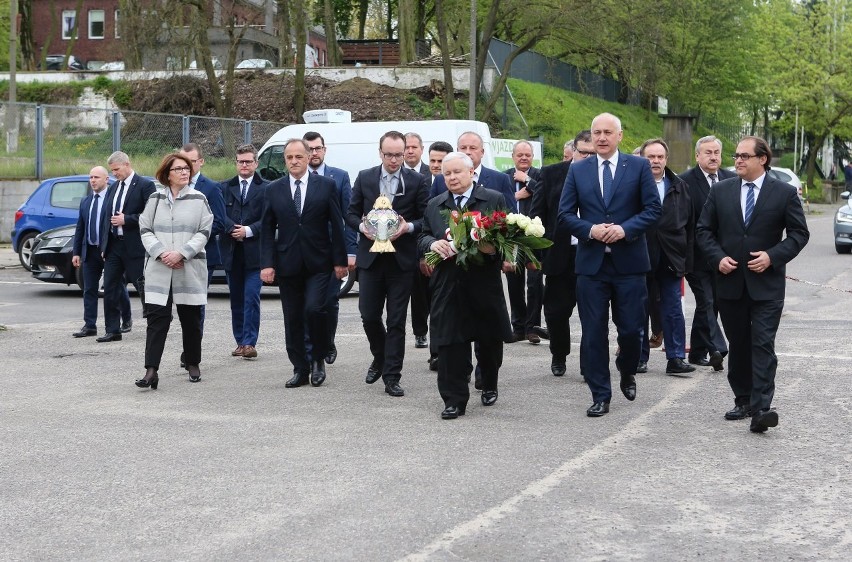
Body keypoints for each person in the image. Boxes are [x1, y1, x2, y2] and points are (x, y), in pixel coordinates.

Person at [696, 136, 809, 433]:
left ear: (763, 159)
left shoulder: (783, 193)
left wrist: (773, 256)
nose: (738, 161)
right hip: (730, 282)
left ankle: (762, 409)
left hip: (766, 286)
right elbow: (703, 231)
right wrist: (717, 258)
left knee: (761, 344)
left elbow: (799, 234)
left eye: (745, 156)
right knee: (740, 343)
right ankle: (743, 399)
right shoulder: (720, 191)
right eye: (736, 156)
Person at [558, 113, 662, 417]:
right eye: (596, 133)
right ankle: (600, 394)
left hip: (629, 264)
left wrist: (625, 229)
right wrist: (590, 230)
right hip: (591, 266)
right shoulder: (579, 170)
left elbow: (653, 209)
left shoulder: (639, 166)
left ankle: (627, 369)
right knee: (593, 333)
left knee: (631, 331)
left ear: (620, 135)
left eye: (607, 132)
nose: (601, 138)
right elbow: (565, 214)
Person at [418, 152, 513, 419]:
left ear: (471, 172)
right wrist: (430, 244)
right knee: (449, 343)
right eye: (446, 174)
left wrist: (491, 247)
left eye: (457, 172)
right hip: (447, 284)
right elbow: (424, 234)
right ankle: (454, 399)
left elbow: (507, 237)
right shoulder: (435, 204)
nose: (451, 177)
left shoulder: (492, 199)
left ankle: (489, 382)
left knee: (489, 341)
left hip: (482, 281)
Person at [346, 131, 430, 398]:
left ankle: (392, 376)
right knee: (369, 315)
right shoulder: (365, 177)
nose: (394, 160)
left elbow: (426, 217)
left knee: (396, 321)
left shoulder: (417, 180)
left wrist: (408, 228)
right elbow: (349, 212)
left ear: (406, 152)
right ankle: (380, 356)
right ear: (380, 153)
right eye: (389, 154)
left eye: (399, 154)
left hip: (401, 261)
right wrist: (362, 227)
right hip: (371, 259)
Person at [261, 139, 348, 389]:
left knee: (314, 310)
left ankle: (318, 358)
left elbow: (337, 223)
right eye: (289, 157)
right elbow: (267, 229)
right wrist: (266, 264)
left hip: (319, 262)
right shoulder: (273, 190)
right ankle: (300, 367)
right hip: (288, 264)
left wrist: (340, 260)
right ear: (284, 160)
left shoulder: (327, 186)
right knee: (293, 317)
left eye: (299, 156)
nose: (294, 161)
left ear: (309, 157)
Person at [135, 153, 213, 390]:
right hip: (160, 269)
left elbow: (204, 231)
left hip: (188, 267)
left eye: (186, 169)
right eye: (178, 169)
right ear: (167, 174)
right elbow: (145, 228)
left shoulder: (199, 199)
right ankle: (151, 370)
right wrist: (161, 253)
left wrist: (182, 253)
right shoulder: (155, 198)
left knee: (190, 319)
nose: (184, 172)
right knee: (157, 320)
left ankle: (192, 362)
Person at [530, 130, 594, 376]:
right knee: (556, 312)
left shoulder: (605, 177)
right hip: (559, 256)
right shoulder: (551, 174)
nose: (587, 157)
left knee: (592, 313)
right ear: (573, 152)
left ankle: (589, 364)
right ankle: (559, 354)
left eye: (592, 153)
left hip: (592, 255)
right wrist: (538, 253)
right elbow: (537, 215)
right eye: (583, 152)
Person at [637, 139, 695, 375]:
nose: (655, 161)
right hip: (639, 255)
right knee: (638, 308)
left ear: (666, 160)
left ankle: (676, 357)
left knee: (672, 310)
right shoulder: (632, 184)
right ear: (642, 158)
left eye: (660, 157)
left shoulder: (680, 186)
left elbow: (689, 226)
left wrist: (687, 260)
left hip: (671, 257)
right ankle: (639, 357)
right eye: (651, 157)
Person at [303, 131, 357, 365]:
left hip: (333, 250)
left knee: (329, 301)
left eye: (318, 148)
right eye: (310, 149)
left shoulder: (339, 177)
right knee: (308, 303)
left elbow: (349, 216)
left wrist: (349, 251)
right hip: (305, 251)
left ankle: (328, 341)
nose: (314, 153)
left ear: (324, 150)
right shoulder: (296, 178)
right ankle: (312, 347)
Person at [680, 136, 734, 370]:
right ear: (697, 156)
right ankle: (717, 347)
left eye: (717, 152)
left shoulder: (731, 179)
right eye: (708, 152)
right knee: (706, 300)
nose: (713, 157)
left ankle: (697, 351)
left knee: (712, 305)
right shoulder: (685, 182)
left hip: (723, 256)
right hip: (695, 256)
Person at [98, 151, 156, 342]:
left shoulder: (145, 185)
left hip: (136, 247)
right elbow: (106, 218)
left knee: (143, 287)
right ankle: (112, 330)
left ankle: (154, 325)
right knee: (111, 288)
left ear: (127, 164)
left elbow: (151, 215)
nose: (114, 173)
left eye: (116, 169)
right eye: (112, 170)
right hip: (114, 247)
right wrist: (104, 246)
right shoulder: (114, 188)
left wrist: (127, 219)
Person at [71, 166, 132, 338]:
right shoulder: (86, 201)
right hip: (90, 251)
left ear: (106, 180)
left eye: (97, 177)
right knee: (89, 288)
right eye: (91, 177)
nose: (93, 180)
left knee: (116, 286)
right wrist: (76, 252)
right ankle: (89, 325)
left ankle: (126, 319)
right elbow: (80, 228)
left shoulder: (113, 200)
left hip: (109, 250)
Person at [219, 144, 268, 360]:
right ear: (236, 163)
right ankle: (240, 341)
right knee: (236, 300)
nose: (245, 165)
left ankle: (249, 342)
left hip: (254, 254)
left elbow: (269, 219)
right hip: (231, 253)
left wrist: (248, 231)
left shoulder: (267, 188)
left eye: (249, 161)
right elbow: (218, 214)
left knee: (251, 298)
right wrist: (232, 229)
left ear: (256, 163)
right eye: (241, 161)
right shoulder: (224, 187)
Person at [416, 140, 453, 371]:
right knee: (436, 308)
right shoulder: (434, 185)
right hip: (437, 258)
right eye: (434, 161)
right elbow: (427, 224)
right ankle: (437, 352)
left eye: (442, 161)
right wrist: (427, 254)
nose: (437, 166)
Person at [504, 140, 544, 343]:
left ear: (532, 157)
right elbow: (499, 199)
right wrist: (516, 195)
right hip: (512, 238)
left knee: (535, 283)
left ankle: (532, 327)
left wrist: (527, 179)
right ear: (513, 156)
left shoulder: (539, 175)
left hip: (535, 237)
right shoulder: (504, 176)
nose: (523, 158)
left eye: (527, 155)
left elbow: (545, 193)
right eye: (519, 154)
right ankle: (518, 326)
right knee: (514, 283)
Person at [429, 131, 515, 209]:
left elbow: (510, 215)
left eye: (473, 148)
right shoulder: (440, 179)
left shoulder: (500, 179)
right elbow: (432, 212)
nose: (467, 152)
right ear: (457, 151)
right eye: (463, 148)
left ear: (482, 152)